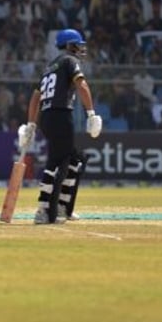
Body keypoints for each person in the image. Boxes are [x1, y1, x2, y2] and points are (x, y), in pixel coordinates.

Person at [18, 29, 102, 225]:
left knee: (75, 160)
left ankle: (63, 206)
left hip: (47, 117)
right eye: (77, 44)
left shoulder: (49, 67)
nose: (81, 48)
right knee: (56, 162)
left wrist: (31, 123)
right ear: (69, 45)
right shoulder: (69, 61)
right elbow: (82, 85)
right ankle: (43, 209)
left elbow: (35, 97)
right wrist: (91, 113)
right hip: (61, 115)